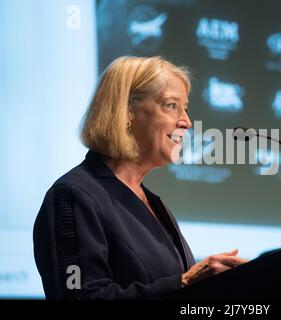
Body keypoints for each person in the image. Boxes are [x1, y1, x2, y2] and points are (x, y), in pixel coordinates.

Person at [33, 56, 248, 299]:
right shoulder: (73, 195)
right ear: (126, 112)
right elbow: (78, 296)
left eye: (185, 108)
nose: (186, 122)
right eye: (171, 105)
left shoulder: (153, 202)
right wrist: (184, 282)